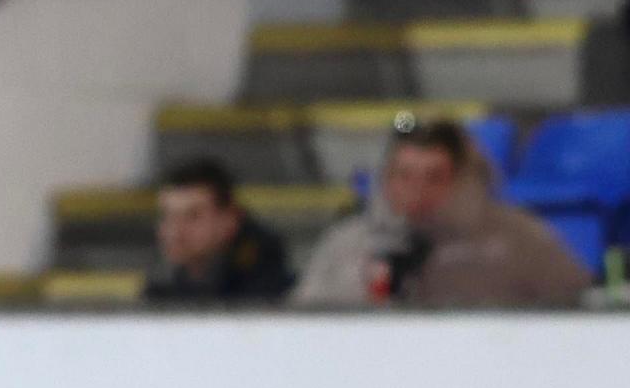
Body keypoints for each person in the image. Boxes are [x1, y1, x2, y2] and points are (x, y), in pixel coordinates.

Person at [293, 118, 591, 307]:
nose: (416, 190)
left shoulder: (518, 239)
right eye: (404, 176)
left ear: (462, 181)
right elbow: (302, 321)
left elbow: (579, 308)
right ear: (385, 179)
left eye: (434, 178)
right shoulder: (348, 244)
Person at [144, 158, 292, 303]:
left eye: (193, 216)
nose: (174, 231)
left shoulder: (266, 288)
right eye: (167, 216)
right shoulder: (161, 283)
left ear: (230, 220)